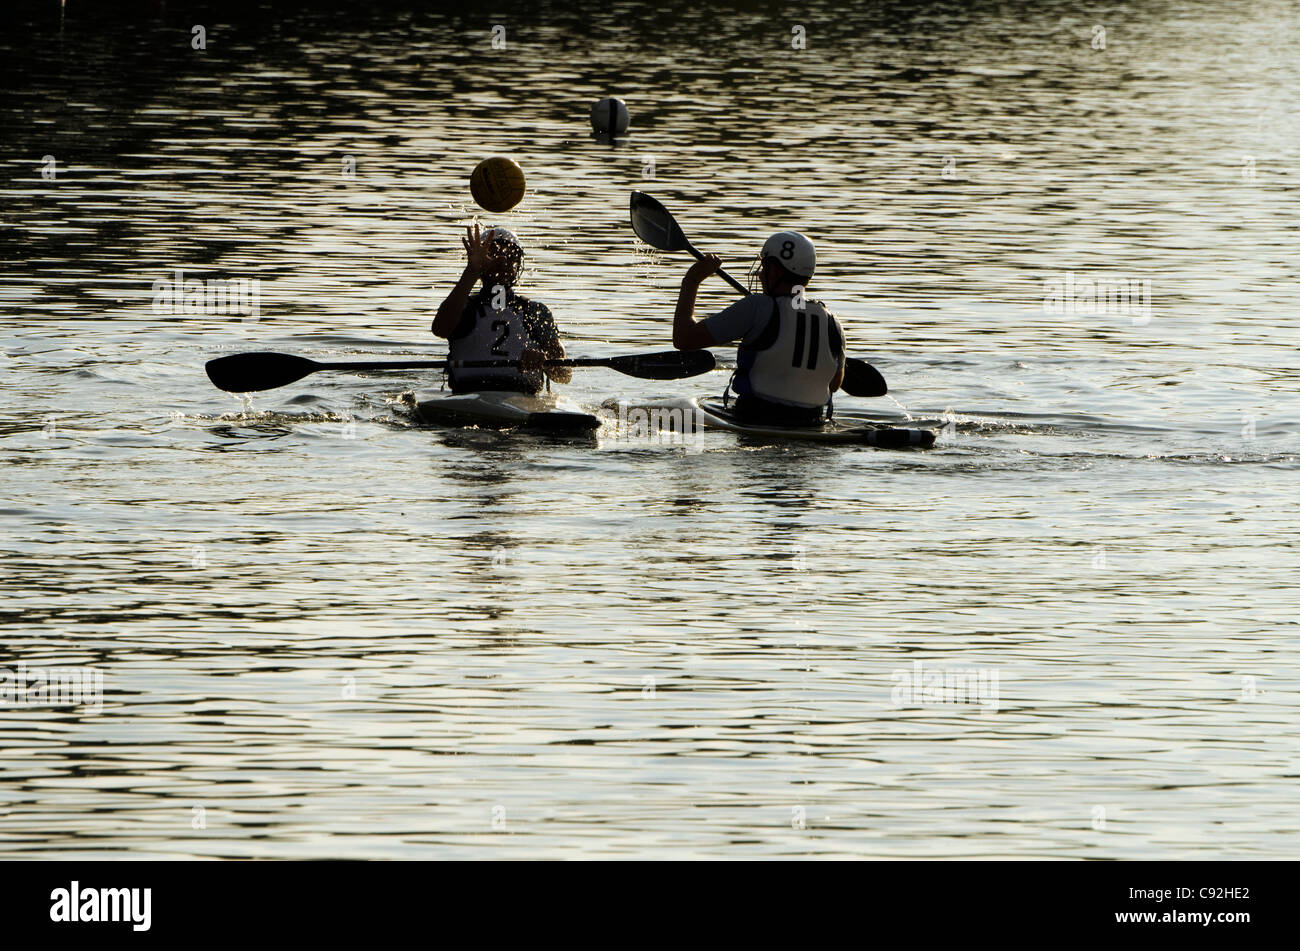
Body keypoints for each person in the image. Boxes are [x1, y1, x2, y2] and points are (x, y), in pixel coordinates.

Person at [670, 231, 845, 426]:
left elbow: (684, 339)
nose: (760, 275)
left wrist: (692, 280)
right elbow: (834, 384)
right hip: (812, 424)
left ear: (776, 272)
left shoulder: (757, 307)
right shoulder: (832, 321)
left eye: (765, 267)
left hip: (754, 418)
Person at [432, 224, 570, 393]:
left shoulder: (535, 312)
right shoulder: (464, 307)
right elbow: (439, 329)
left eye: (510, 257)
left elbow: (564, 374)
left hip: (523, 399)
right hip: (467, 394)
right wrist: (472, 272)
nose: (503, 261)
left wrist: (545, 361)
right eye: (494, 254)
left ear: (518, 265)